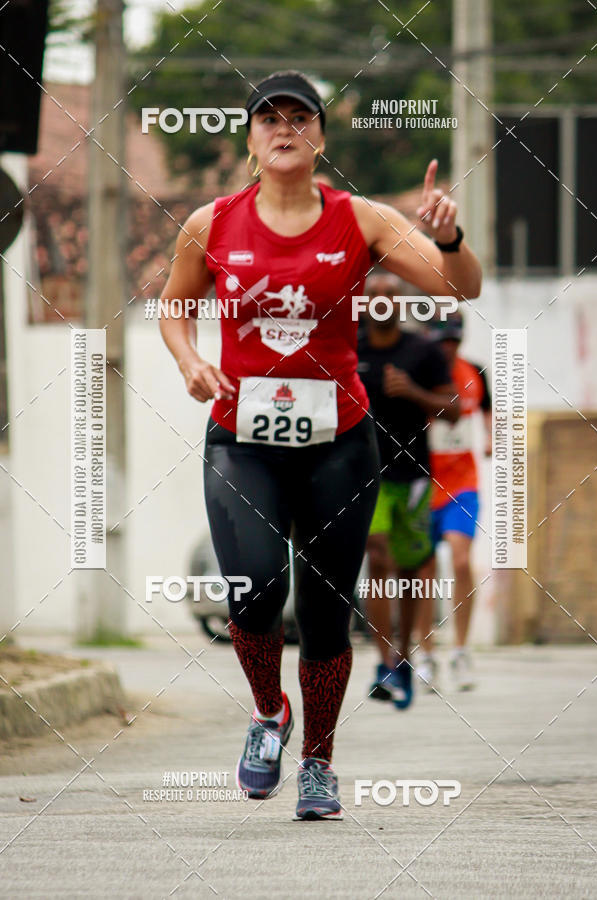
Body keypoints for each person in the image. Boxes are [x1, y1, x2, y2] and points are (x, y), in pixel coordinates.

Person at [159, 69, 481, 820]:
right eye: (268, 118)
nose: (284, 127)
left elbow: (458, 288)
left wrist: (450, 238)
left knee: (329, 612)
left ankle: (319, 763)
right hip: (242, 440)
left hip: (339, 441)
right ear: (249, 138)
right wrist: (189, 359)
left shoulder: (362, 221)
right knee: (256, 588)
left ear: (320, 137)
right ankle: (269, 714)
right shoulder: (211, 223)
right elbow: (173, 306)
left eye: (299, 116)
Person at [358, 275, 461, 710]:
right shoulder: (349, 349)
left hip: (413, 474)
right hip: (364, 474)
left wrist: (413, 391)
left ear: (400, 304)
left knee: (409, 568)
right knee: (377, 557)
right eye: (374, 296)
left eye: (390, 296)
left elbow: (454, 408)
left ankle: (403, 657)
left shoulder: (423, 351)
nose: (382, 302)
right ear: (362, 304)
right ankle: (383, 660)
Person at [417, 313, 492, 691]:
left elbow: (486, 407)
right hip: (425, 483)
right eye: (441, 342)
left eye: (454, 341)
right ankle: (426, 654)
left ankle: (461, 651)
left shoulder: (475, 372)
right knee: (423, 570)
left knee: (461, 560)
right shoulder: (418, 371)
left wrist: (492, 437)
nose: (448, 349)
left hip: (463, 482)